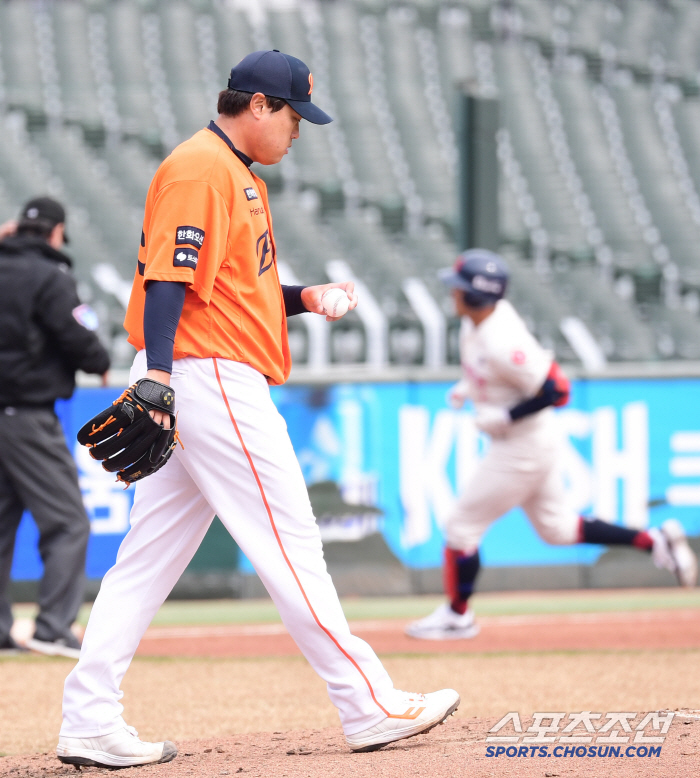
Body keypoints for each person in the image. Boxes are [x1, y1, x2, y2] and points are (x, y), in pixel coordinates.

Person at [57, 50, 459, 769]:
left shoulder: (231, 173)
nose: (298, 133)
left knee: (145, 561)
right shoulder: (201, 168)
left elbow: (234, 289)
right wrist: (158, 376)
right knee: (291, 544)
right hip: (209, 380)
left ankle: (89, 719)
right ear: (259, 106)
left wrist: (307, 298)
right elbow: (166, 283)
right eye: (293, 117)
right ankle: (368, 704)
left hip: (199, 375)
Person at [406, 249, 699, 641]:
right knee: (558, 530)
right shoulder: (477, 323)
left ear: (476, 296)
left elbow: (557, 389)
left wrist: (505, 416)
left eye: (458, 288)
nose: (452, 294)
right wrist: (470, 389)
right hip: (529, 443)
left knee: (461, 526)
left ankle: (458, 616)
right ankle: (654, 540)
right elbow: (491, 372)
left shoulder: (502, 337)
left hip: (522, 447)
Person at [0, 197, 111, 658]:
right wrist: (100, 362)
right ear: (56, 233)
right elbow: (81, 341)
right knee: (67, 522)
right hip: (24, 415)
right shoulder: (50, 276)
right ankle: (51, 627)